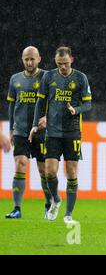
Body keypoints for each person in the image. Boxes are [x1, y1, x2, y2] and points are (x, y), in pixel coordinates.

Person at [29, 46, 92, 224]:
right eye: (59, 64)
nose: (62, 67)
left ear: (71, 59)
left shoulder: (80, 78)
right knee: (49, 172)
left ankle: (68, 214)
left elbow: (88, 105)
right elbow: (40, 102)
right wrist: (35, 125)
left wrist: (76, 109)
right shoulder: (49, 77)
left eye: (65, 63)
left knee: (71, 173)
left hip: (72, 131)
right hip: (53, 132)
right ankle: (56, 199)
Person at [5, 46, 48, 219]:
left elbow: (54, 101)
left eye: (32, 59)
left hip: (41, 131)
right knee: (20, 163)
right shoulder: (15, 79)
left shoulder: (47, 77)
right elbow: (11, 106)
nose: (29, 62)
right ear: (22, 60)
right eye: (26, 59)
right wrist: (10, 128)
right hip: (21, 130)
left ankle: (49, 205)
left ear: (39, 59)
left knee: (44, 170)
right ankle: (17, 208)